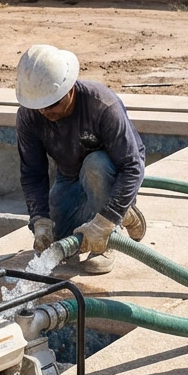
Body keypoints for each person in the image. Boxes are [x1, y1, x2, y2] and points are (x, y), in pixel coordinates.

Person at [15, 44, 148, 274]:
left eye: (51, 104)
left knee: (94, 166)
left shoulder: (101, 105)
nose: (45, 112)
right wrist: (40, 220)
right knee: (59, 239)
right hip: (69, 177)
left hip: (111, 173)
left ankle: (110, 237)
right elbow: (32, 173)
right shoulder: (29, 116)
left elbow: (132, 166)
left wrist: (106, 221)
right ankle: (117, 214)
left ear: (69, 89)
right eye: (39, 106)